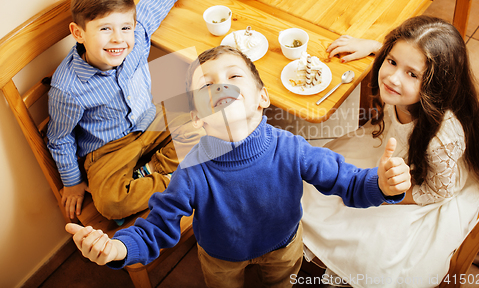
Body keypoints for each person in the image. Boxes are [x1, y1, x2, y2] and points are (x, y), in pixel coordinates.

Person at [65, 45, 411, 288]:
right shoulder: (191, 172)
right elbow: (155, 229)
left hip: (285, 246)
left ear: (263, 97)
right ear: (197, 117)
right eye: (206, 84)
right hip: (220, 258)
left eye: (233, 75)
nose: (220, 85)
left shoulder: (289, 148)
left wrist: (380, 185)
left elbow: (345, 181)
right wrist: (117, 248)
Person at [301, 16, 479, 287]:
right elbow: (404, 56)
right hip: (390, 149)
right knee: (312, 189)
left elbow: (438, 191)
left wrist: (383, 191)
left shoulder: (442, 138)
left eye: (412, 74)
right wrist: (373, 47)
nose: (392, 78)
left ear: (435, 87)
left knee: (365, 245)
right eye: (391, 61)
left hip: (426, 184)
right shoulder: (404, 84)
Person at [46, 0, 210, 221]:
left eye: (125, 27)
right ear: (79, 33)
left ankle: (149, 172)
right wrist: (72, 182)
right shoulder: (67, 88)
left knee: (209, 125)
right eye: (104, 29)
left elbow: (151, 7)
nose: (118, 39)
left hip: (151, 120)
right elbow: (60, 138)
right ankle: (180, 183)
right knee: (110, 203)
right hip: (109, 150)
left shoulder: (136, 38)